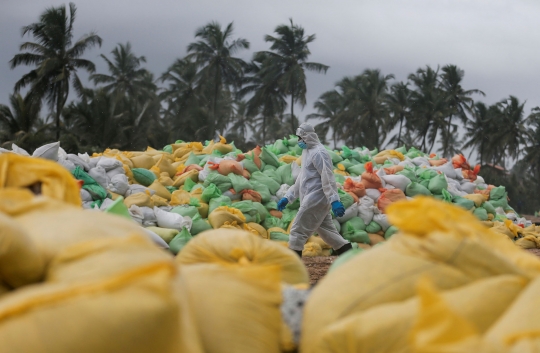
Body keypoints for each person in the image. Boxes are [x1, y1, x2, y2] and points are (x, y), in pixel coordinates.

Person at [277, 122, 352, 257]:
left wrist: (334, 200)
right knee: (328, 232)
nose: (299, 141)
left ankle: (294, 267)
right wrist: (288, 197)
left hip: (317, 198)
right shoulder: (307, 152)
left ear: (308, 136)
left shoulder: (319, 153)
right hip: (311, 197)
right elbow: (302, 178)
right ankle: (349, 255)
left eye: (300, 138)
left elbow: (327, 177)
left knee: (297, 231)